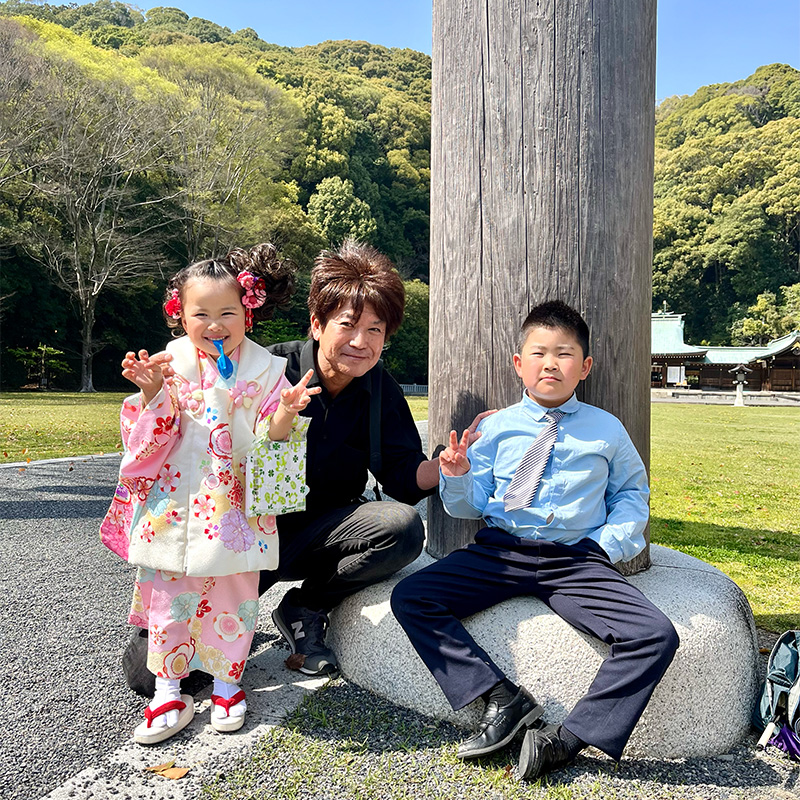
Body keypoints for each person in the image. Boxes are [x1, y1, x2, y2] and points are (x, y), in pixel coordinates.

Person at [391, 300, 680, 780]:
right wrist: (457, 475)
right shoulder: (495, 428)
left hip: (576, 559)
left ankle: (565, 741)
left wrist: (608, 546)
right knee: (412, 596)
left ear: (584, 367)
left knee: (655, 635)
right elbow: (467, 506)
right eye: (539, 353)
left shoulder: (607, 429)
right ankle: (500, 697)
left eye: (564, 354)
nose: (551, 364)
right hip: (501, 551)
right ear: (518, 363)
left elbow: (631, 493)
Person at [101, 244, 318, 744]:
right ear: (180, 314)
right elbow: (148, 435)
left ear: (248, 312)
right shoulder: (169, 363)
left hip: (234, 505)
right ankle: (168, 690)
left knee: (235, 595)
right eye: (201, 314)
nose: (215, 324)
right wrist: (153, 392)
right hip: (175, 505)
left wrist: (286, 411)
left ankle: (226, 684)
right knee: (168, 598)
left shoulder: (267, 369)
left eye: (228, 313)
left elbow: (271, 438)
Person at [262, 240, 491, 676]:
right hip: (249, 533)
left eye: (375, 330)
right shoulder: (270, 369)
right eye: (348, 325)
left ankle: (305, 606)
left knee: (401, 528)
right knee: (150, 673)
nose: (360, 342)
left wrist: (446, 465)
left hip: (323, 533)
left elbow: (403, 475)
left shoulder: (379, 388)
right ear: (317, 324)